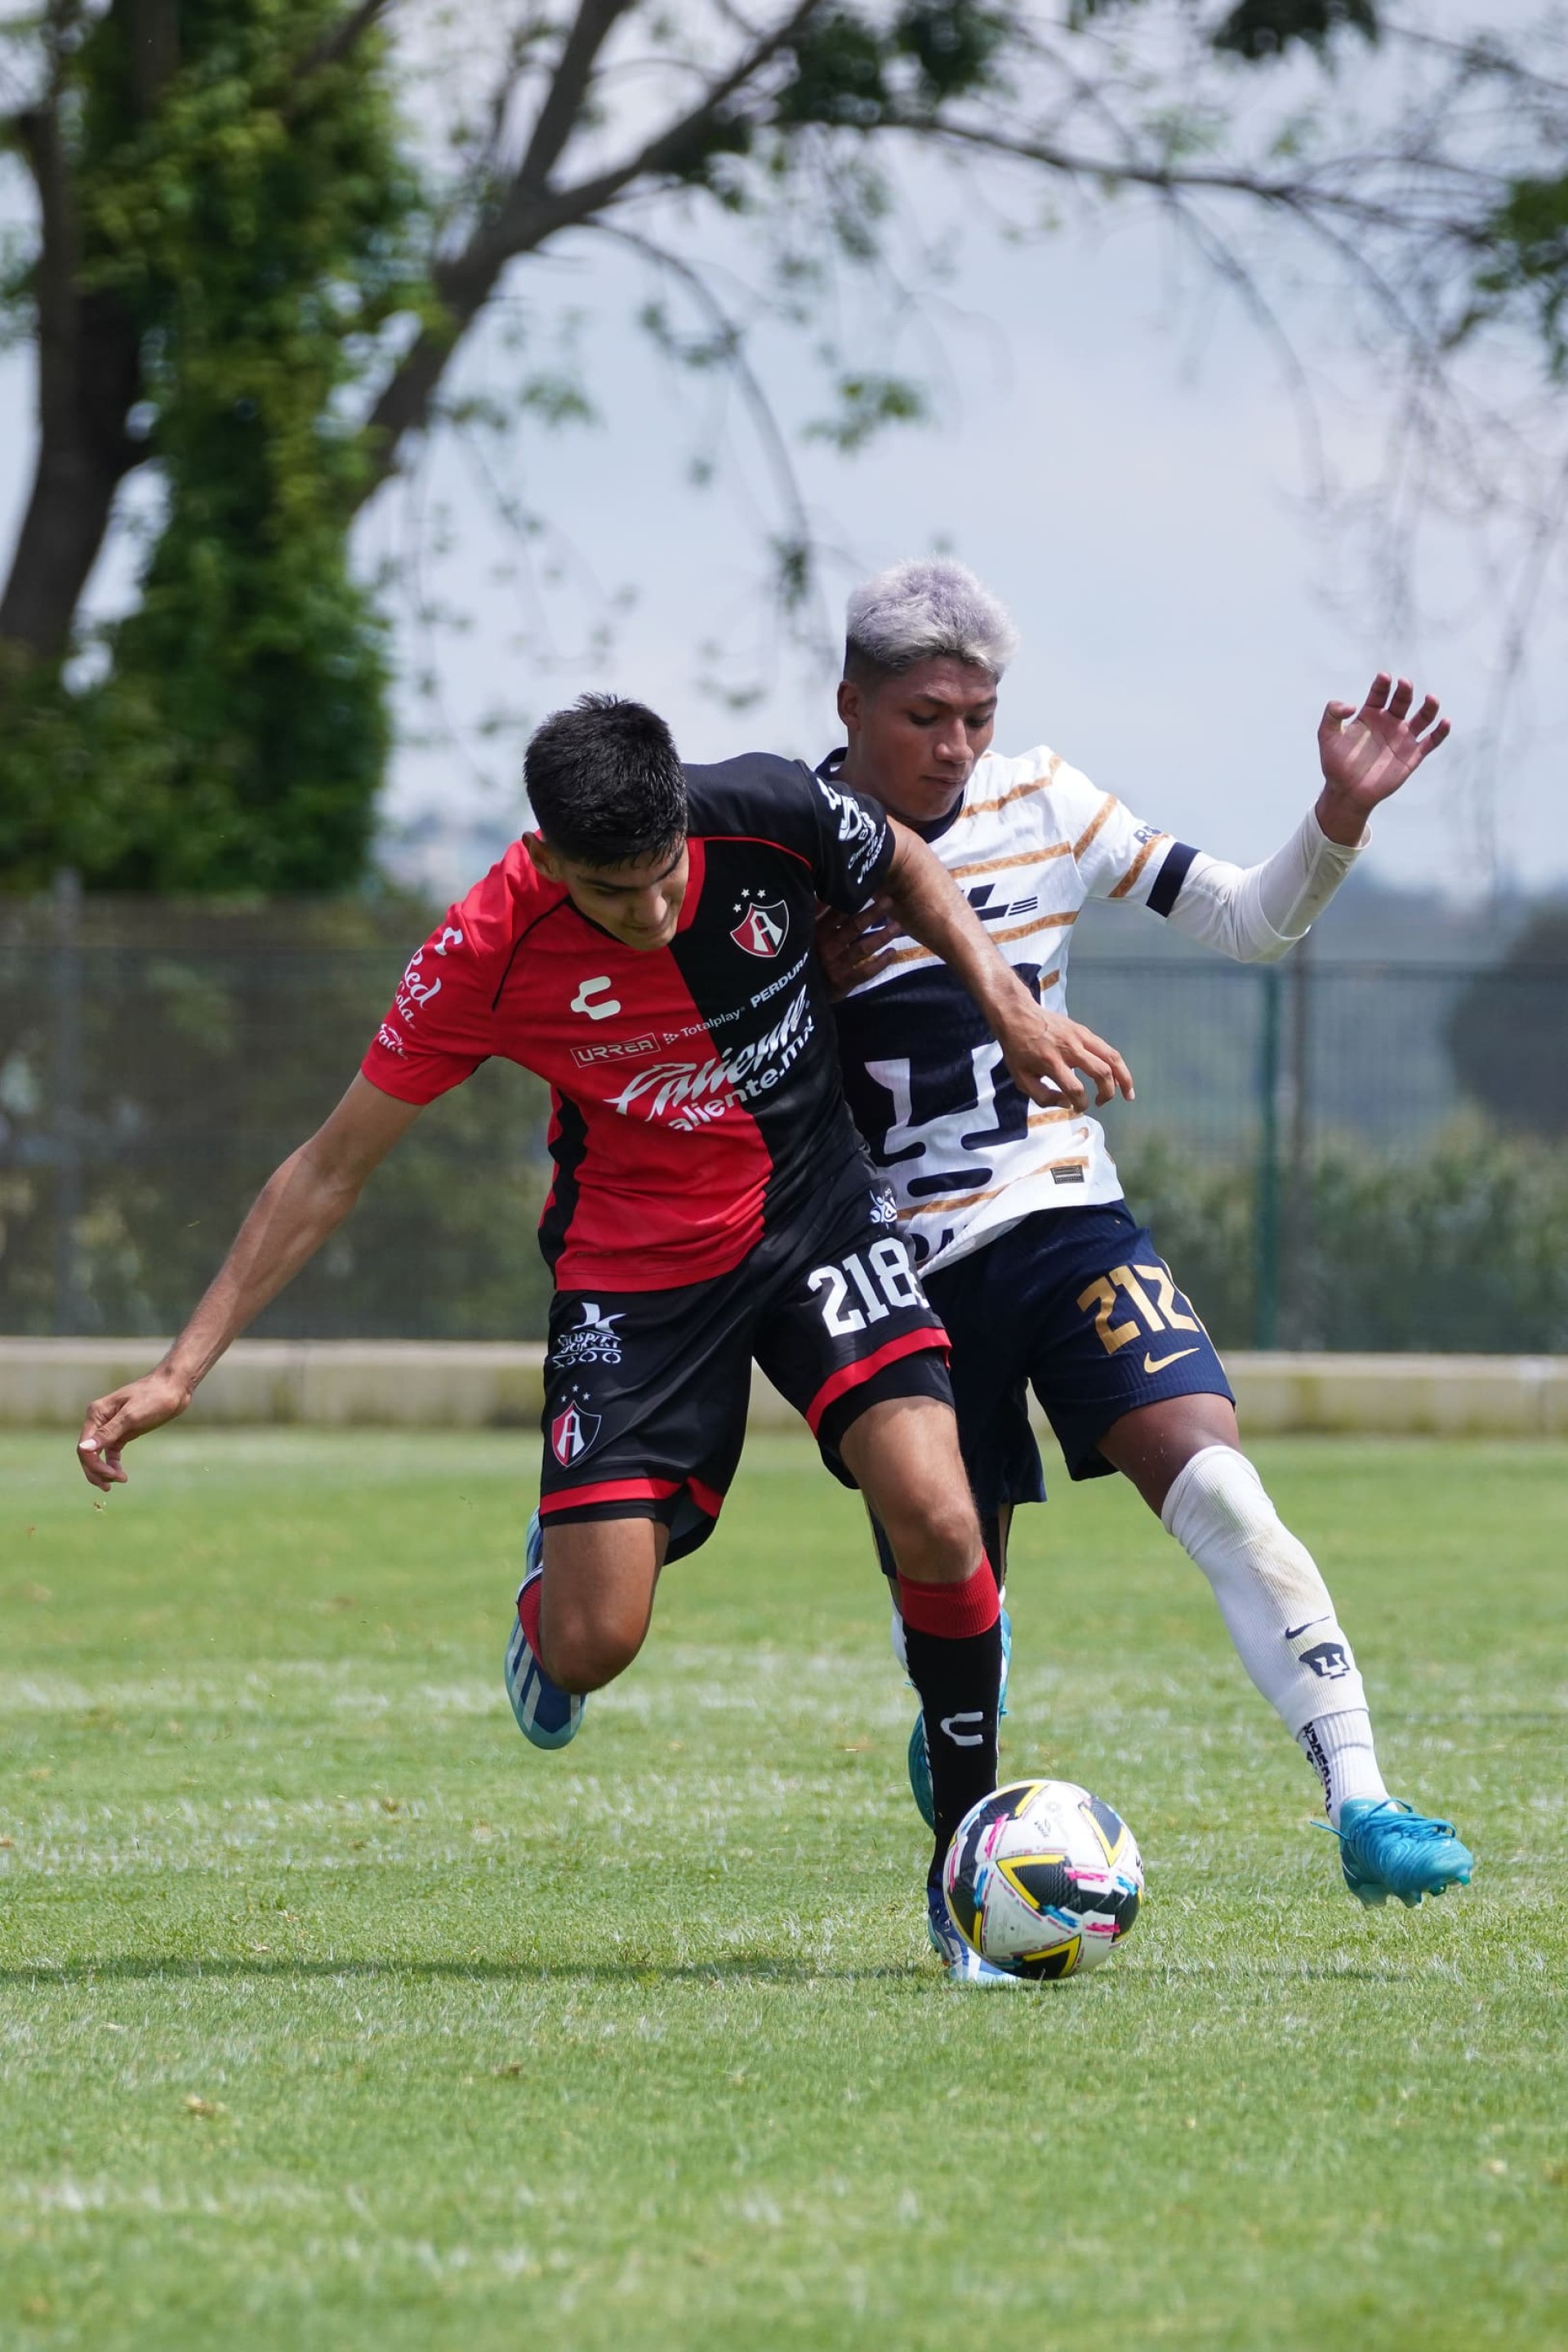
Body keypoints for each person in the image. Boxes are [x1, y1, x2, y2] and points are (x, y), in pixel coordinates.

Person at [76, 693, 1132, 1981]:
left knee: (942, 1514)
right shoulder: (482, 951)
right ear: (546, 856)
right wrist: (181, 1369)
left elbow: (905, 859)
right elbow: (329, 1168)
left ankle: (959, 1873)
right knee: (594, 1644)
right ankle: (552, 1579)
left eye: (662, 875)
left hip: (816, 1213)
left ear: (683, 815)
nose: (649, 911)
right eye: (609, 893)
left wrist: (1007, 1004)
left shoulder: (768, 810)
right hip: (635, 1277)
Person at [814, 559, 1472, 1912]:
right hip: (896, 1273)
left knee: (1222, 1488)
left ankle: (1363, 1798)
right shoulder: (791, 852)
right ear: (852, 705)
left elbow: (1248, 919)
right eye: (927, 717)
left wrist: (1338, 816)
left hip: (1065, 1220)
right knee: (955, 1586)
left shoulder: (1046, 800)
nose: (957, 747)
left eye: (978, 717)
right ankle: (968, 1766)